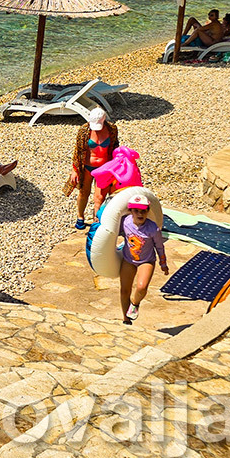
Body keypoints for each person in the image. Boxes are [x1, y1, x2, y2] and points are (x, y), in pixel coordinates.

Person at [117, 193, 169, 325]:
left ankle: (135, 303)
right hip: (128, 260)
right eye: (136, 211)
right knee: (124, 290)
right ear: (130, 211)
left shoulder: (153, 228)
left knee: (141, 287)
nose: (140, 214)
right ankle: (126, 319)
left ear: (148, 211)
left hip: (146, 261)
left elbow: (159, 246)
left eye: (143, 211)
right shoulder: (125, 222)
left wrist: (163, 263)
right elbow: (111, 231)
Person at [68, 107, 117, 230]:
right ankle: (80, 216)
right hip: (87, 167)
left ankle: (96, 221)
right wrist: (75, 170)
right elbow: (78, 151)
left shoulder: (111, 129)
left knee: (99, 196)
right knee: (83, 192)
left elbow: (115, 146)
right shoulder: (84, 130)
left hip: (104, 168)